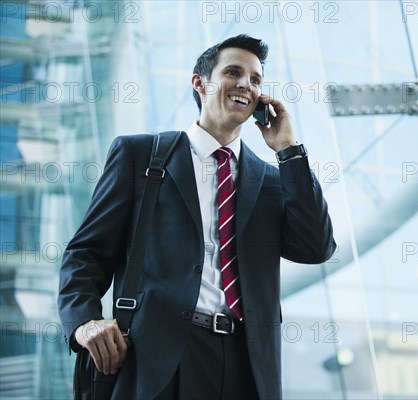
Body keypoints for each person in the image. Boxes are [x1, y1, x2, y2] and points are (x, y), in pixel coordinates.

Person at [57, 34, 336, 399]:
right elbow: (85, 254)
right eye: (233, 72)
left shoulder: (269, 181)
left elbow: (315, 247)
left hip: (246, 364)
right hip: (156, 358)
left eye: (255, 80)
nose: (245, 85)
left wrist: (288, 151)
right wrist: (84, 322)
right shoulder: (141, 157)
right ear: (200, 83)